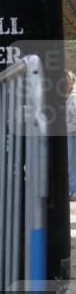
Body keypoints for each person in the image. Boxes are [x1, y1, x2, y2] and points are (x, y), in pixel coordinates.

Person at [67, 71, 76, 202]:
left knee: (70, 164)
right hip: (69, 134)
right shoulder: (67, 96)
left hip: (71, 135)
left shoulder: (73, 97)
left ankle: (73, 192)